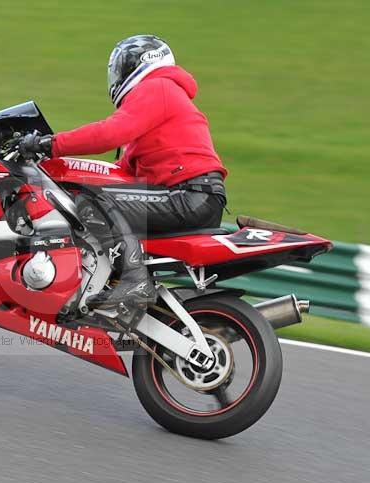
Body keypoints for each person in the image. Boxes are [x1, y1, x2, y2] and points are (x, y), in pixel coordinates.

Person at [19, 34, 227, 309]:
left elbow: (109, 133)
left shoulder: (158, 87)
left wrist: (50, 144)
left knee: (92, 203)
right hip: (190, 194)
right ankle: (110, 282)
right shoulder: (157, 101)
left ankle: (133, 280)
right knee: (89, 196)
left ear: (140, 65)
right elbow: (120, 173)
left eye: (121, 67)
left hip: (189, 194)